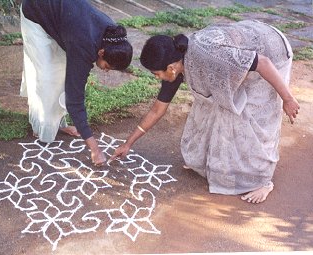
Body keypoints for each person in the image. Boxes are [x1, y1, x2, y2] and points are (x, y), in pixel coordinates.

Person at [110, 20, 300, 204]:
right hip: (243, 50)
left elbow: (263, 63)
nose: (158, 77)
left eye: (156, 74)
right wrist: (128, 144)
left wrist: (288, 98)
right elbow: (157, 110)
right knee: (208, 108)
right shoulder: (178, 62)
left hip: (271, 52)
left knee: (249, 118)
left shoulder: (208, 56)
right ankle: (203, 161)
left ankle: (262, 181)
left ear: (171, 67)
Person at [20, 0, 133, 165]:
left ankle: (57, 122)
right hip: (36, 12)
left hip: (63, 19)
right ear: (101, 52)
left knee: (62, 71)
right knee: (47, 77)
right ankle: (43, 126)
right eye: (107, 66)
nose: (106, 70)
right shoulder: (84, 45)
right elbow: (74, 99)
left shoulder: (112, 36)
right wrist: (94, 148)